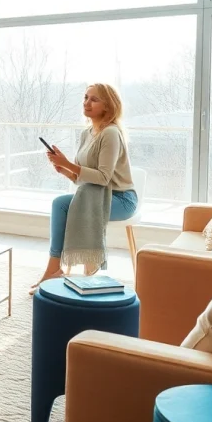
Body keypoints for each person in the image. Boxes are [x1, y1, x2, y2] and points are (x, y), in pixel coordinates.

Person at [30, 83, 138, 294]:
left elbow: (104, 178)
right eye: (86, 97)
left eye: (94, 99)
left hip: (122, 199)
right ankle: (55, 269)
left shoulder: (111, 133)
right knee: (60, 204)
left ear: (107, 106)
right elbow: (85, 180)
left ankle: (53, 271)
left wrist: (70, 164)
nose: (87, 103)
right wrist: (65, 170)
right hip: (97, 194)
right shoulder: (87, 133)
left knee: (61, 204)